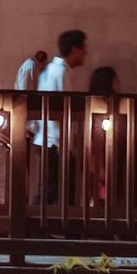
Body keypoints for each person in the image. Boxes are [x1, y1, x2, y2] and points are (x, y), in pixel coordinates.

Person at [28, 30, 88, 205]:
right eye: (83, 47)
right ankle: (39, 226)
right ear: (75, 49)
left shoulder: (54, 70)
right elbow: (58, 108)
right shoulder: (59, 72)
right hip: (53, 142)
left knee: (51, 188)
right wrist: (63, 142)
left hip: (48, 140)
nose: (86, 52)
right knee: (51, 189)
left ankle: (44, 227)